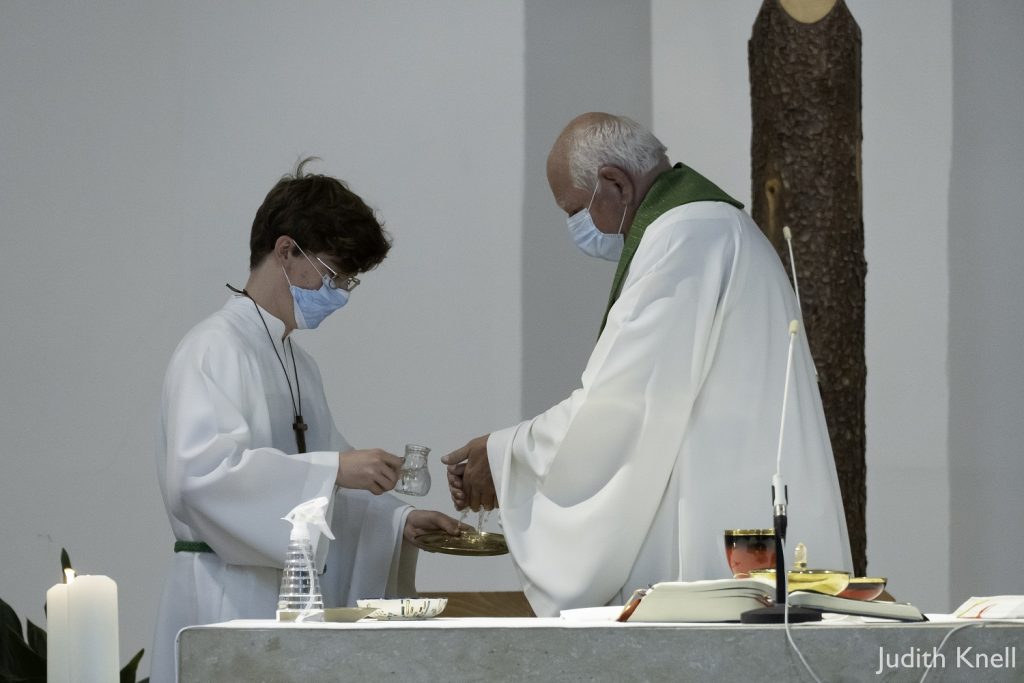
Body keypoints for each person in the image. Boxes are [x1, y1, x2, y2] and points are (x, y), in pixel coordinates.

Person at [443, 113, 852, 617]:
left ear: (614, 182)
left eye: (575, 210)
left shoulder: (685, 236)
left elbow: (621, 406)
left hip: (718, 531)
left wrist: (504, 455)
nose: (577, 228)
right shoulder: (709, 227)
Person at [152, 159, 461, 682]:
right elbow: (200, 478)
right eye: (334, 274)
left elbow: (330, 482)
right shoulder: (212, 348)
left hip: (290, 602)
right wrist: (335, 469)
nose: (339, 293)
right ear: (285, 251)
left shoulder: (299, 364)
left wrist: (400, 521)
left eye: (349, 281)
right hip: (225, 596)